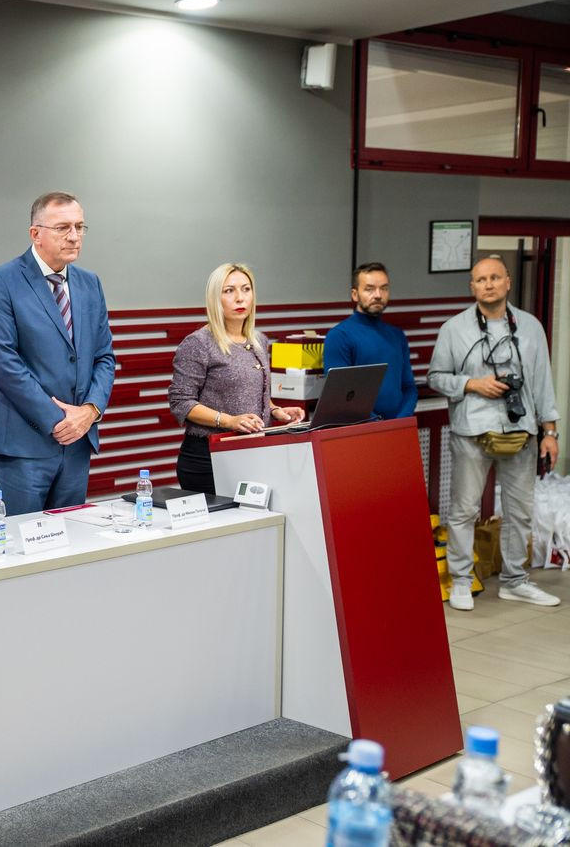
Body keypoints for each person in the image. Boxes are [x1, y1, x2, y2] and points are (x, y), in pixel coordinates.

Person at [427, 255, 560, 611]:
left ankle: (515, 581)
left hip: (521, 431)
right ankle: (460, 580)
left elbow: (542, 382)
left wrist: (550, 431)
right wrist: (473, 384)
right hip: (471, 432)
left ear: (508, 282)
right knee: (464, 510)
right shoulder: (453, 329)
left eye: (495, 278)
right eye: (481, 279)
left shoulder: (530, 326)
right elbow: (436, 377)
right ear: (472, 286)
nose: (488, 284)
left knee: (520, 511)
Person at [0, 192, 115, 514]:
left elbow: (104, 357)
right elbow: (3, 363)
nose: (74, 236)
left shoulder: (90, 283)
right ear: (35, 234)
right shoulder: (2, 281)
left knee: (71, 537)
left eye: (80, 227)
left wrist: (90, 411)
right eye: (63, 227)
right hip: (24, 443)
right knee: (22, 538)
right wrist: (59, 420)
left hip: (78, 441)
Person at [168, 263, 306, 495]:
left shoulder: (259, 340)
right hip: (208, 460)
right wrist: (229, 421)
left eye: (246, 289)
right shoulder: (199, 343)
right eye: (229, 291)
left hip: (254, 453)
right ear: (215, 298)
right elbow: (181, 402)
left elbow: (252, 391)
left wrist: (275, 411)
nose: (240, 298)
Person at [323, 262, 417, 419]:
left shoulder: (397, 335)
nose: (378, 295)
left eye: (384, 288)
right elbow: (342, 395)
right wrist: (378, 425)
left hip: (397, 426)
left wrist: (400, 421)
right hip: (361, 428)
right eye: (369, 289)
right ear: (355, 294)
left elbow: (409, 387)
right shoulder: (339, 336)